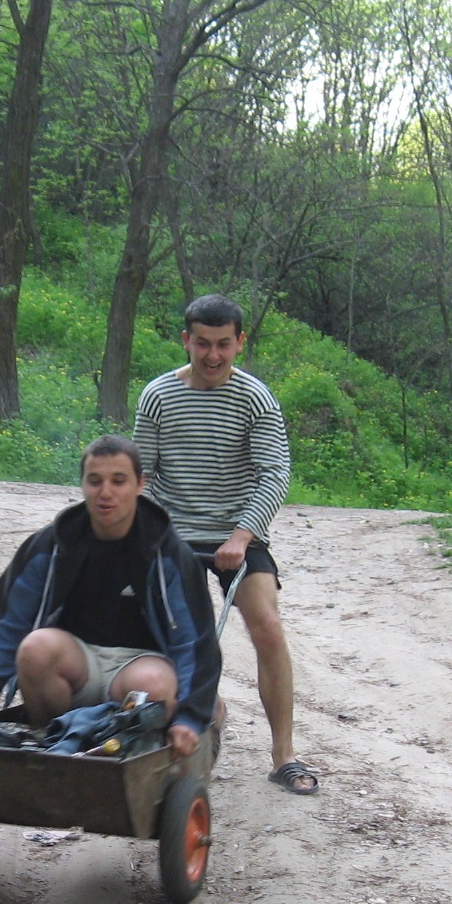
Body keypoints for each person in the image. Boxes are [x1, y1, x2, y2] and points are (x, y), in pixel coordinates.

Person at [133, 293, 318, 794]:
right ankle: (173, 727)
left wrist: (241, 534)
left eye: (222, 344)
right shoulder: (157, 395)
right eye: (202, 343)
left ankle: (284, 755)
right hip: (173, 534)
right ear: (185, 340)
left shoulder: (255, 398)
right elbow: (142, 475)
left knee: (268, 627)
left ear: (239, 342)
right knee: (161, 634)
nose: (212, 355)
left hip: (239, 534)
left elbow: (274, 474)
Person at [0, 435, 220, 759]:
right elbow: (6, 623)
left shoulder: (168, 554)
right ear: (83, 484)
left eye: (118, 481)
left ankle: (144, 744)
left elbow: (194, 643)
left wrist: (189, 716)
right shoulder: (54, 545)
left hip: (139, 666)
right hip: (76, 665)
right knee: (35, 648)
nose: (106, 493)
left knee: (153, 684)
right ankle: (55, 747)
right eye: (95, 481)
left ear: (139, 484)